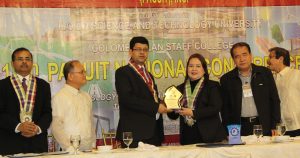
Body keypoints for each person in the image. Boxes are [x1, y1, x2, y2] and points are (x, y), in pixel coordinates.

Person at [115, 36, 168, 148]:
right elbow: (127, 99)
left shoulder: (149, 75)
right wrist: (156, 107)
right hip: (135, 134)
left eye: (145, 49)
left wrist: (164, 104)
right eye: (138, 49)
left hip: (153, 131)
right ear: (130, 52)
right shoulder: (122, 72)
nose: (142, 52)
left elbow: (151, 98)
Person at [220, 42, 281, 136]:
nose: (242, 59)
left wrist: (275, 125)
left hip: (264, 125)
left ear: (250, 55)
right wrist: (228, 131)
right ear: (233, 60)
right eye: (237, 56)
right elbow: (225, 109)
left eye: (244, 54)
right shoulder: (226, 79)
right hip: (238, 128)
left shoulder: (265, 73)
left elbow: (275, 101)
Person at [0, 47, 52, 155]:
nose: (24, 62)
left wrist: (37, 128)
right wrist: (18, 126)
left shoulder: (44, 85)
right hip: (10, 144)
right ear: (13, 63)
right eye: (20, 59)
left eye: (27, 59)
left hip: (37, 144)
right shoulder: (2, 86)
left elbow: (47, 113)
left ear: (32, 63)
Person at [167, 53, 226, 145]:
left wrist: (192, 113)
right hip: (187, 136)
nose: (194, 69)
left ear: (204, 69)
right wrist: (170, 106)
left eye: (198, 66)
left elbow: (215, 108)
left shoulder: (213, 86)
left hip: (210, 136)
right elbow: (173, 116)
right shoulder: (179, 89)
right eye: (191, 66)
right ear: (187, 69)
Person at [51, 60, 96, 151]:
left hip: (88, 149)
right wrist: (69, 148)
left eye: (84, 72)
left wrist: (93, 144)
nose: (84, 75)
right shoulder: (60, 97)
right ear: (70, 76)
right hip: (69, 151)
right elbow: (56, 126)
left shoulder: (86, 96)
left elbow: (91, 122)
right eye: (81, 72)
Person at [267, 47, 300, 137]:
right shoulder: (271, 79)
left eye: (270, 57)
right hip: (279, 129)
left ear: (280, 59)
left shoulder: (297, 74)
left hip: (297, 126)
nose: (268, 60)